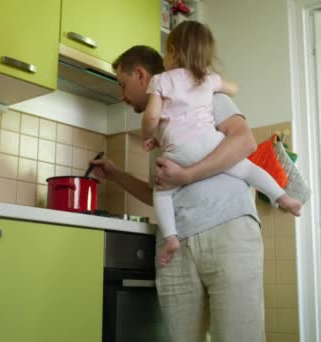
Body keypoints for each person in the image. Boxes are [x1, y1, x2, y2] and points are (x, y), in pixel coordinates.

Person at [90, 45, 266, 342]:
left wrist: (187, 175)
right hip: (176, 244)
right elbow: (158, 193)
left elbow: (245, 142)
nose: (121, 95)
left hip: (228, 231)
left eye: (122, 84)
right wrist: (115, 175)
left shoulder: (203, 93)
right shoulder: (154, 127)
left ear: (141, 75)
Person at [141, 21, 302, 267]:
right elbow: (234, 88)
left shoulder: (160, 80)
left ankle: (171, 238)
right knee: (247, 169)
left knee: (162, 191)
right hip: (210, 144)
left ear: (172, 50)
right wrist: (211, 78)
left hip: (178, 152)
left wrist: (148, 135)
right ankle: (284, 198)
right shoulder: (206, 78)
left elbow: (152, 117)